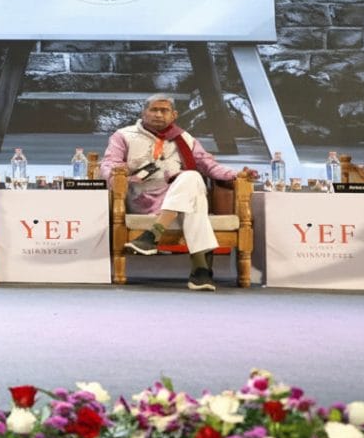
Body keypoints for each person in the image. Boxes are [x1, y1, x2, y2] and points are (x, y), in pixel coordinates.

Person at [98, 94, 256, 292]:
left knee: (191, 177)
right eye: (154, 110)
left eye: (164, 111)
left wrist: (236, 174)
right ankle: (201, 270)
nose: (158, 114)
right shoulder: (124, 135)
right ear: (144, 113)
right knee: (195, 199)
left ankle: (152, 235)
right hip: (142, 198)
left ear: (174, 115)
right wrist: (120, 174)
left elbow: (209, 165)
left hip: (178, 199)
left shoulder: (185, 138)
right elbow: (108, 165)